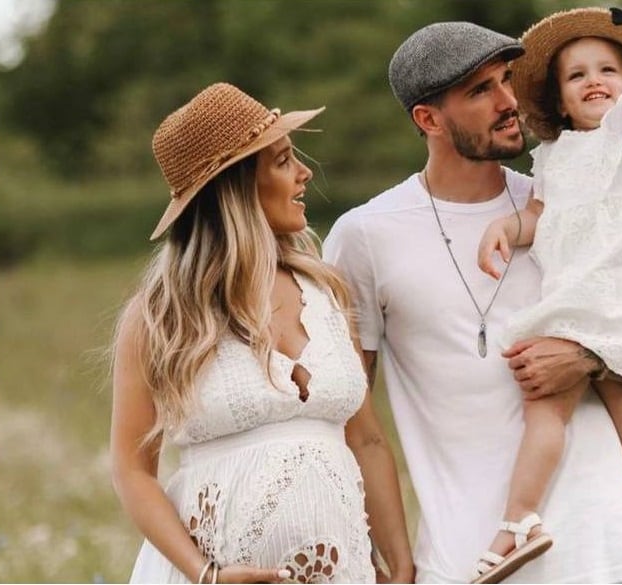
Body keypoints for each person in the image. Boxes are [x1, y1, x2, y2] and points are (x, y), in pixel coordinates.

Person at [323, 21, 622, 584]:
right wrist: (392, 559)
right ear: (428, 119)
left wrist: (586, 359)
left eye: (506, 81)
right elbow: (352, 422)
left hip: (606, 550)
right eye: (480, 90)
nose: (508, 101)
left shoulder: (570, 200)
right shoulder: (365, 235)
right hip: (468, 557)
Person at [110, 82, 413, 584]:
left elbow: (368, 441)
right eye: (282, 161)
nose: (304, 172)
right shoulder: (161, 315)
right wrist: (206, 575)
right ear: (235, 186)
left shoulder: (326, 293)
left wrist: (399, 566)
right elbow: (132, 470)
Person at [474, 2, 622, 583]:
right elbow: (539, 216)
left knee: (545, 410)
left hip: (602, 300)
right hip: (601, 307)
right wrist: (507, 226)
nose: (595, 81)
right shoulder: (553, 157)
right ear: (559, 100)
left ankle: (519, 521)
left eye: (608, 70)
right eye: (577, 76)